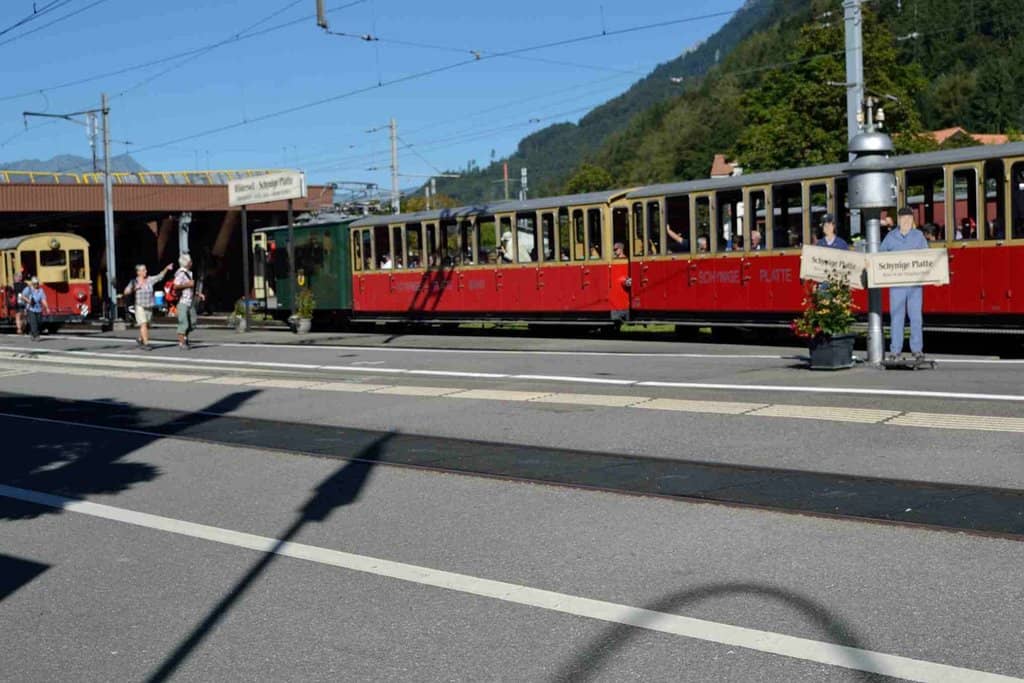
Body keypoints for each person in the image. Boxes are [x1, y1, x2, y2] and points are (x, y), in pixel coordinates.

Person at [881, 207, 929, 361]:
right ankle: (895, 350)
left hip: (915, 285)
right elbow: (881, 257)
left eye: (909, 217)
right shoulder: (890, 237)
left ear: (912, 219)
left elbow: (927, 257)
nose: (907, 220)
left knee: (915, 317)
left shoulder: (919, 236)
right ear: (899, 220)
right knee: (897, 317)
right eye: (904, 218)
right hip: (897, 284)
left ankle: (917, 350)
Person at [124, 262, 173, 350]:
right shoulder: (134, 282)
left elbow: (159, 277)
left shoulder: (149, 280)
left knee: (147, 324)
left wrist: (166, 268)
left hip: (149, 305)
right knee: (143, 324)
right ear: (138, 272)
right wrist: (135, 288)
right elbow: (126, 291)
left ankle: (140, 338)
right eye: (143, 270)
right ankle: (146, 344)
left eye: (145, 270)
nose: (145, 271)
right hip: (139, 305)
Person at [172, 254, 203, 350]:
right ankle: (182, 342)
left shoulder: (189, 273)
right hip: (182, 302)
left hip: (190, 301)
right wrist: (188, 284)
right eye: (190, 261)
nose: (191, 263)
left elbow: (190, 288)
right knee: (184, 323)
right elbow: (175, 286)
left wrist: (197, 293)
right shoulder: (181, 273)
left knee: (192, 322)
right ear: (186, 263)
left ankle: (185, 337)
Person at [19, 276, 50, 341]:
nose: (36, 285)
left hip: (39, 309)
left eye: (37, 283)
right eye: (35, 284)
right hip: (31, 308)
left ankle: (32, 333)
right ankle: (36, 336)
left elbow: (43, 299)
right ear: (32, 283)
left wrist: (47, 308)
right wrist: (28, 301)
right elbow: (22, 296)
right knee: (33, 322)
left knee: (39, 322)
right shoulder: (28, 289)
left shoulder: (41, 290)